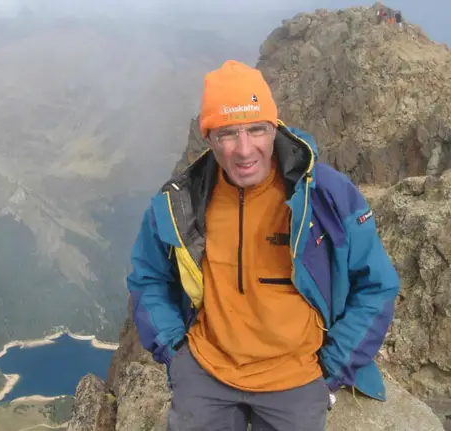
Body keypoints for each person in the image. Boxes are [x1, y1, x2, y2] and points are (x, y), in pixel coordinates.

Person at [126, 60, 401, 431]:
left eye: (256, 129)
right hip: (206, 371)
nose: (244, 149)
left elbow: (377, 285)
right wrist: (176, 354)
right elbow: (148, 278)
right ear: (206, 138)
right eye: (227, 133)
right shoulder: (181, 202)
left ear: (275, 127)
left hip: (297, 377)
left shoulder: (327, 196)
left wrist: (332, 367)